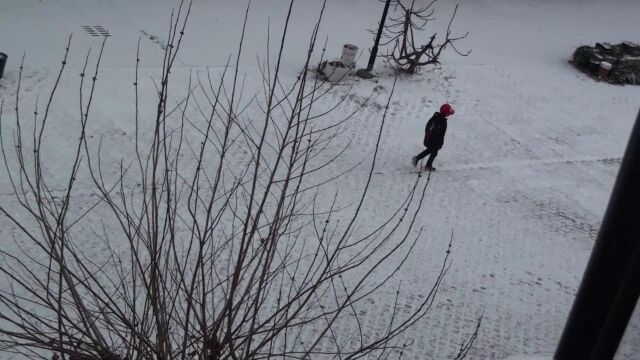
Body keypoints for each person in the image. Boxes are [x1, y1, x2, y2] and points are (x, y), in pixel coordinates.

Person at [411, 103, 454, 171]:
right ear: (446, 114)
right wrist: (440, 143)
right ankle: (428, 165)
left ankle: (417, 158)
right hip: (433, 141)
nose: (449, 114)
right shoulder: (442, 122)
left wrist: (428, 134)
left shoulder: (435, 117)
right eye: (449, 113)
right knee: (434, 153)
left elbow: (427, 127)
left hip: (428, 139)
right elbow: (440, 134)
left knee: (430, 150)